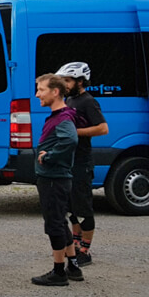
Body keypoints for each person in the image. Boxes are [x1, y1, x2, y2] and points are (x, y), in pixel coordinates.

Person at [31, 74, 83, 286]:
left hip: (53, 178)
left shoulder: (62, 118)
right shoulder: (59, 116)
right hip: (55, 178)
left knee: (53, 223)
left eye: (41, 89)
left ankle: (58, 272)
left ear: (55, 92)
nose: (37, 94)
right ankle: (73, 266)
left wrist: (49, 156)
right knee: (60, 221)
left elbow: (70, 139)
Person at [56, 62, 108, 267]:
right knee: (71, 207)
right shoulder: (69, 100)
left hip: (82, 162)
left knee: (83, 207)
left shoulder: (88, 102)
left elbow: (103, 128)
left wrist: (75, 133)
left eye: (68, 81)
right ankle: (75, 244)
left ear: (80, 81)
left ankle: (85, 249)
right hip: (68, 161)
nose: (65, 84)